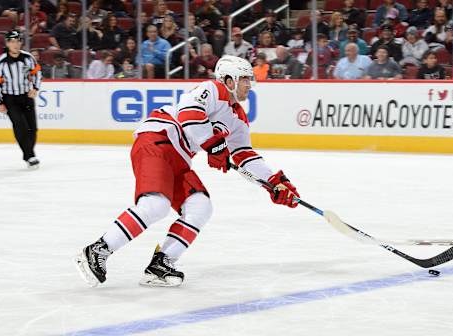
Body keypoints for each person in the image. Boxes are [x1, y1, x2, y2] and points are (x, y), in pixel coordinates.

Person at [74, 55, 300, 288]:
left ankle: (161, 264)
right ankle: (98, 249)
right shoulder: (213, 89)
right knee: (156, 205)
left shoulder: (238, 118)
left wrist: (273, 183)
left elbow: (244, 155)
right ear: (229, 80)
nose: (249, 85)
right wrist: (214, 146)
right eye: (244, 79)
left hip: (179, 158)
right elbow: (188, 114)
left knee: (200, 206)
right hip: (158, 140)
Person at [0, 31, 42, 168]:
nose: (15, 44)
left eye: (18, 41)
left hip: (26, 97)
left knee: (32, 128)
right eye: (12, 41)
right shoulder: (1, 62)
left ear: (21, 42)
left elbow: (37, 73)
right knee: (20, 126)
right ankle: (30, 156)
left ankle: (29, 153)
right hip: (10, 99)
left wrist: (35, 88)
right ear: (7, 43)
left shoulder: (28, 58)